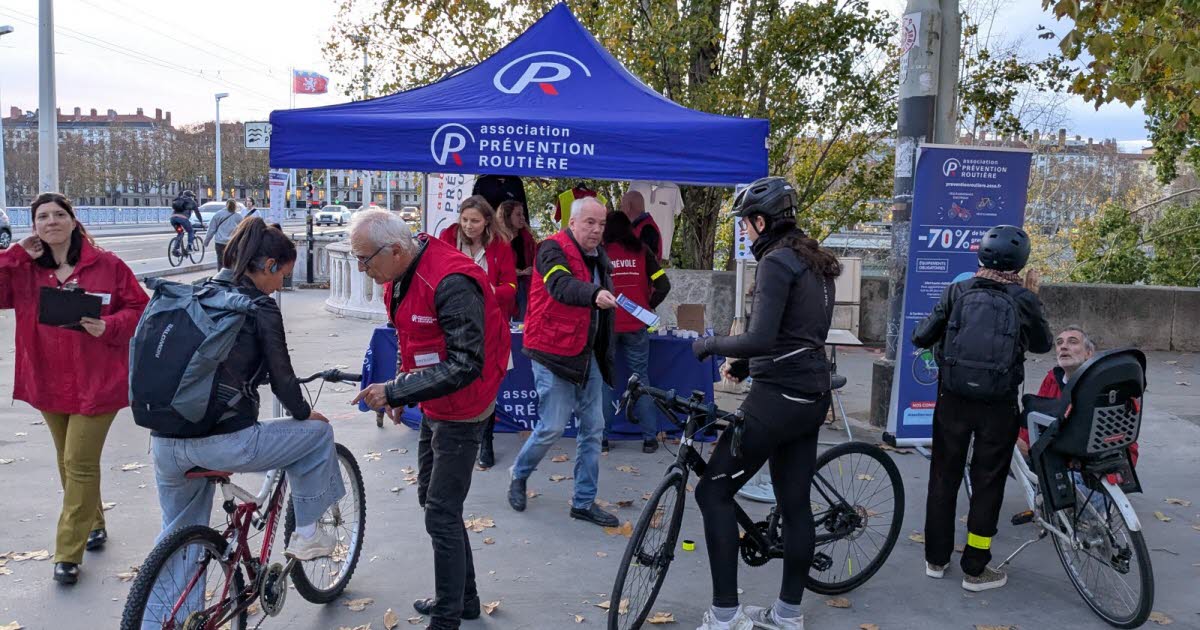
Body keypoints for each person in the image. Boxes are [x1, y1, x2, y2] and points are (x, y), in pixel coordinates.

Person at [688, 177, 839, 630]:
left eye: (745, 225)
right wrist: (748, 367)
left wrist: (712, 345)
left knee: (711, 491)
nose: (745, 233)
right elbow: (798, 336)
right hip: (811, 394)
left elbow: (760, 337)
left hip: (778, 401)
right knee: (795, 504)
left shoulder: (776, 263)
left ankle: (724, 616)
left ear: (760, 221)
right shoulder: (815, 261)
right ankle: (787, 616)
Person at [350, 210, 510, 630]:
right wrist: (402, 388)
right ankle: (464, 599)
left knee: (440, 511)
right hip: (436, 401)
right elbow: (409, 336)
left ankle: (447, 616)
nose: (362, 269)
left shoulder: (451, 281)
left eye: (365, 260)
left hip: (466, 404)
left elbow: (465, 364)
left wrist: (397, 390)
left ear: (396, 250)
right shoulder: (398, 274)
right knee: (434, 502)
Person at [0, 192, 149, 584]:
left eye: (59, 215)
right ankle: (94, 522)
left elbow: (141, 308)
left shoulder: (107, 265)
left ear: (72, 220)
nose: (51, 222)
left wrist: (111, 326)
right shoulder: (25, 269)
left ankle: (68, 551)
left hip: (97, 381)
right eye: (42, 217)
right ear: (33, 227)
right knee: (67, 459)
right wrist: (15, 255)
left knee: (79, 462)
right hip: (47, 379)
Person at [912, 224, 1053, 593]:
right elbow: (1042, 345)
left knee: (944, 476)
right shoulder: (1023, 299)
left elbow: (921, 336)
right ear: (1020, 261)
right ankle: (975, 567)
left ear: (981, 255)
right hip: (998, 404)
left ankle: (936, 560)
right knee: (988, 481)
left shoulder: (958, 290)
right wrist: (1030, 298)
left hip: (952, 399)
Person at [506, 197, 620, 529]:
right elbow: (560, 285)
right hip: (552, 353)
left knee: (593, 429)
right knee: (552, 427)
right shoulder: (550, 250)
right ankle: (519, 474)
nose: (597, 230)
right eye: (590, 223)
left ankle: (583, 502)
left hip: (588, 356)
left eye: (601, 224)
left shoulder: (600, 256)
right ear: (572, 222)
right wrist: (593, 294)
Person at [438, 195, 518, 468]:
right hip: (453, 323)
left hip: (490, 324)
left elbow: (511, 287)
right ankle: (454, 436)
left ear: (487, 222)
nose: (469, 226)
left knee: (488, 386)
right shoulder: (447, 239)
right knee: (456, 379)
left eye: (475, 221)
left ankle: (487, 440)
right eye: (465, 220)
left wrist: (492, 291)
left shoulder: (501, 246)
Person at [601, 210, 671, 453]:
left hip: (606, 325)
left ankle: (602, 440)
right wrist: (647, 305)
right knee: (641, 380)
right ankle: (650, 439)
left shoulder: (601, 252)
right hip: (636, 324)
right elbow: (663, 284)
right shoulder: (643, 251)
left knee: (605, 381)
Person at [1017, 326, 1140, 465]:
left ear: (1089, 353)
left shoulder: (1106, 385)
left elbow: (1122, 435)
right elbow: (1035, 418)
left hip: (1089, 458)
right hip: (1054, 452)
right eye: (1059, 343)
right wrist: (1024, 445)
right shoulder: (1052, 379)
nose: (1063, 347)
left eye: (1072, 342)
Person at [498, 199, 537, 321]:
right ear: (507, 217)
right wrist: (522, 272)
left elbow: (536, 256)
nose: (523, 218)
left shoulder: (526, 237)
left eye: (523, 214)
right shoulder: (499, 240)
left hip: (526, 286)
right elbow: (497, 268)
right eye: (518, 214)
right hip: (506, 288)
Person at [620, 190, 663, 261]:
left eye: (621, 206)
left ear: (628, 207)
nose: (620, 210)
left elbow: (647, 261)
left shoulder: (647, 229)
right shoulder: (639, 226)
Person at [205, 199, 243, 270]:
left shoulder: (218, 214)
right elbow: (242, 230)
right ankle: (231, 278)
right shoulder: (238, 216)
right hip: (232, 243)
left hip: (220, 242)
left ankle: (220, 278)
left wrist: (206, 242)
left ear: (226, 205)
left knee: (221, 263)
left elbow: (211, 229)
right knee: (232, 262)